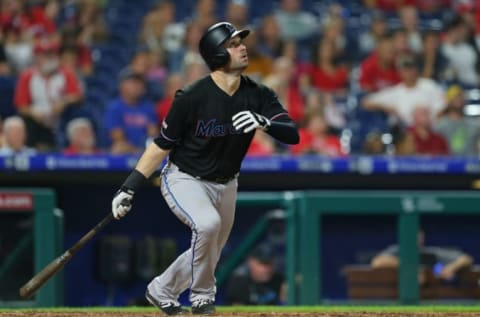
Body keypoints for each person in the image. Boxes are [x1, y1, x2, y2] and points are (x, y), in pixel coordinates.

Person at [110, 22, 299, 315]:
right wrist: (129, 187)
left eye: (240, 42)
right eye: (233, 44)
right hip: (185, 177)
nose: (242, 47)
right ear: (217, 54)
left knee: (211, 248)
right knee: (207, 226)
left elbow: (292, 133)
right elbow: (161, 145)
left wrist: (265, 122)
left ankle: (162, 290)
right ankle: (201, 297)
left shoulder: (258, 94)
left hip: (227, 182)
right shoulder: (192, 96)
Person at [371, 230, 474, 282]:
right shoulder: (397, 251)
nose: (417, 240)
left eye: (419, 237)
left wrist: (449, 268)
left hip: (431, 299)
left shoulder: (431, 253)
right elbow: (377, 262)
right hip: (396, 299)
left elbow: (466, 259)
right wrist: (411, 268)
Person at [103, 69, 158, 154]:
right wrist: (137, 151)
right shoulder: (114, 108)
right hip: (126, 150)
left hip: (144, 149)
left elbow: (153, 134)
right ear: (121, 85)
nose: (136, 86)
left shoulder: (148, 108)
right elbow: (118, 137)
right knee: (119, 147)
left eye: (139, 83)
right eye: (132, 82)